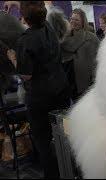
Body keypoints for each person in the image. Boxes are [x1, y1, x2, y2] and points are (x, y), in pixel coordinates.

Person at [7, 1, 71, 178]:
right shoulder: (50, 28)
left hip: (41, 99)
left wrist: (13, 58)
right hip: (61, 90)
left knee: (43, 141)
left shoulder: (25, 40)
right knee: (65, 134)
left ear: (25, 19)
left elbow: (26, 75)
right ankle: (71, 170)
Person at [61, 8, 100, 101]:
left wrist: (95, 79)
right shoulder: (65, 39)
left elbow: (98, 59)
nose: (73, 22)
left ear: (83, 21)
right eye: (72, 19)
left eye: (77, 19)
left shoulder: (91, 38)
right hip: (69, 79)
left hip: (86, 81)